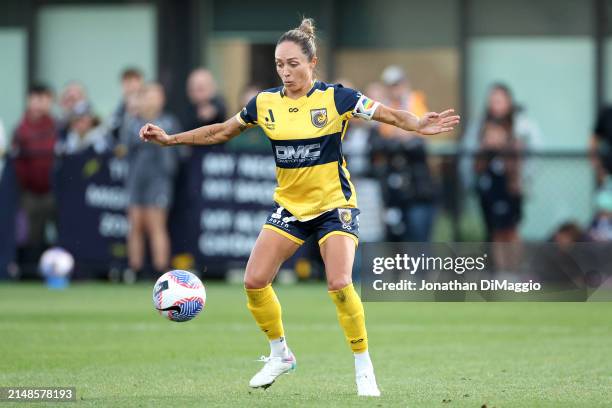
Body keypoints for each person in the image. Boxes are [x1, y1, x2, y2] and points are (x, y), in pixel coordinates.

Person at [138, 18, 459, 397]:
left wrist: (417, 124)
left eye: (293, 64)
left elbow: (388, 114)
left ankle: (363, 365)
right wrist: (171, 139)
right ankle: (280, 354)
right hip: (290, 207)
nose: (286, 72)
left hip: (333, 205)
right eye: (279, 64)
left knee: (339, 282)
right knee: (254, 281)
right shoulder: (265, 104)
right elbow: (222, 130)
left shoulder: (337, 98)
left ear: (312, 62)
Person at [123, 83, 181, 279]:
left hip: (160, 179)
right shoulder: (132, 122)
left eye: (155, 96)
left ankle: (160, 270)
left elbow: (176, 152)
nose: (151, 100)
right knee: (135, 223)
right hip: (136, 180)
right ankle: (135, 270)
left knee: (156, 224)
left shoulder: (168, 122)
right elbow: (124, 147)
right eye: (147, 96)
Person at [374, 66, 438, 242]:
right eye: (391, 85)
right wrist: (403, 135)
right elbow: (382, 141)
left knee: (418, 235)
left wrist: (403, 135)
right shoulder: (385, 107)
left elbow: (421, 140)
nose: (395, 89)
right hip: (393, 185)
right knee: (395, 235)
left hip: (418, 184)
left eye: (397, 84)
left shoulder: (415, 102)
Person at [11, 84, 58, 264]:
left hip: (54, 192)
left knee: (62, 232)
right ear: (29, 101)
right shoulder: (21, 129)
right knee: (31, 236)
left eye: (44, 99)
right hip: (29, 194)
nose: (39, 104)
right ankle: (30, 272)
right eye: (36, 99)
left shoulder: (56, 126)